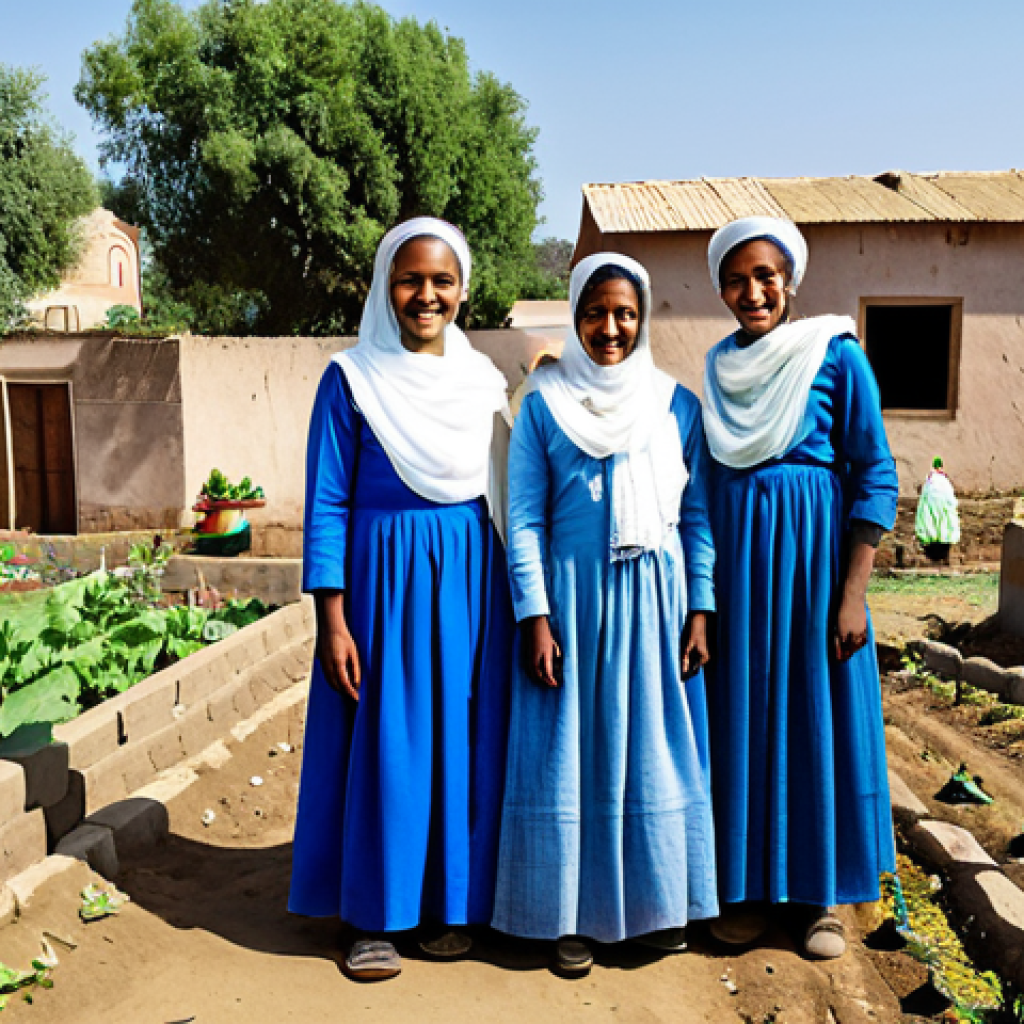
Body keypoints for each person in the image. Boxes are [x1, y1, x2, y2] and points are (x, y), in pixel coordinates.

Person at [289, 217, 513, 981]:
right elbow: (325, 502)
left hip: (469, 580)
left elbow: (507, 492)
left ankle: (450, 906)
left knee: (459, 741)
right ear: (386, 286)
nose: (427, 295)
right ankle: (371, 917)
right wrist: (332, 618)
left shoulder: (483, 382)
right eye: (411, 279)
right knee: (389, 744)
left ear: (464, 289)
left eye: (442, 281)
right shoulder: (350, 377)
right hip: (382, 586)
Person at [492, 253, 719, 976]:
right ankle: (566, 919)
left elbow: (696, 517)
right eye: (595, 313)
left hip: (657, 598)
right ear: (575, 315)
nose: (611, 328)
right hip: (571, 601)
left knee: (652, 747)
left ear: (643, 316)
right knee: (571, 756)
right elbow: (524, 516)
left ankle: (656, 909)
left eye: (625, 313)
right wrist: (534, 612)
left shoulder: (675, 405)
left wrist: (701, 606)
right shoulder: (544, 404)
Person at [702, 216, 899, 959]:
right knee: (744, 722)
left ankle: (819, 899)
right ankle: (749, 892)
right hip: (739, 578)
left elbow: (874, 472)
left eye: (766, 276)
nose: (752, 291)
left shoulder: (835, 353)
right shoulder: (717, 368)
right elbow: (705, 482)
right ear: (721, 286)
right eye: (736, 278)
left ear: (792, 279)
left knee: (813, 721)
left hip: (813, 576)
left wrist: (852, 591)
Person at [915, 456, 961, 562]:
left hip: (933, 505)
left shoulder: (930, 481)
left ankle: (934, 550)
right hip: (943, 507)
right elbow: (950, 499)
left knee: (931, 520)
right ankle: (941, 551)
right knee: (943, 522)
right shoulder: (944, 481)